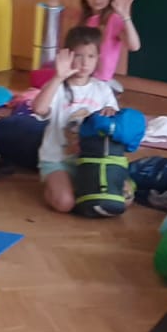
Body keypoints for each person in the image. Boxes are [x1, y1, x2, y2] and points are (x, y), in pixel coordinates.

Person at [33, 26, 119, 215]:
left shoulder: (102, 89)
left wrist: (111, 113)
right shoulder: (57, 87)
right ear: (67, 56)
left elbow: (115, 126)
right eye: (79, 56)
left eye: (91, 56)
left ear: (98, 58)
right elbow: (39, 109)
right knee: (65, 203)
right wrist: (58, 76)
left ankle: (77, 187)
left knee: (123, 200)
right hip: (57, 160)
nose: (84, 63)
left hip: (92, 160)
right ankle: (54, 186)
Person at [76, 0, 142, 86]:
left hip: (100, 81)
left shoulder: (113, 19)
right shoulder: (85, 19)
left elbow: (134, 46)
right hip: (81, 76)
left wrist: (126, 17)